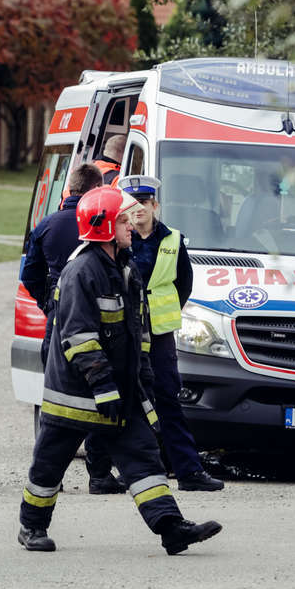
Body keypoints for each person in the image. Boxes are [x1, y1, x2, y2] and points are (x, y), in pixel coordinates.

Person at [17, 186, 221, 555]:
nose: (132, 225)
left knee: (143, 458)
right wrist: (103, 384)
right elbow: (79, 336)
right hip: (74, 397)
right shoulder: (82, 271)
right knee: (49, 466)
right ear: (106, 225)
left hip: (118, 392)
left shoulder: (125, 268)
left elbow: (137, 331)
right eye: (124, 219)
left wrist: (141, 378)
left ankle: (171, 528)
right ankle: (31, 528)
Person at [19, 163, 124, 495]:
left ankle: (52, 475)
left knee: (55, 404)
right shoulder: (98, 227)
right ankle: (99, 474)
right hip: (96, 326)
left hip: (56, 322)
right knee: (98, 398)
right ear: (95, 190)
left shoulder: (46, 225)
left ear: (68, 189)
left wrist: (50, 304)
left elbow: (30, 275)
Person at [118, 174, 224, 492]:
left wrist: (160, 311)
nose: (138, 210)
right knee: (132, 399)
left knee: (168, 398)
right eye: (133, 204)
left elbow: (183, 285)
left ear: (156, 206)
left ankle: (188, 472)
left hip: (161, 333)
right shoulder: (119, 238)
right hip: (128, 331)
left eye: (144, 204)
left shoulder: (173, 239)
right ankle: (138, 471)